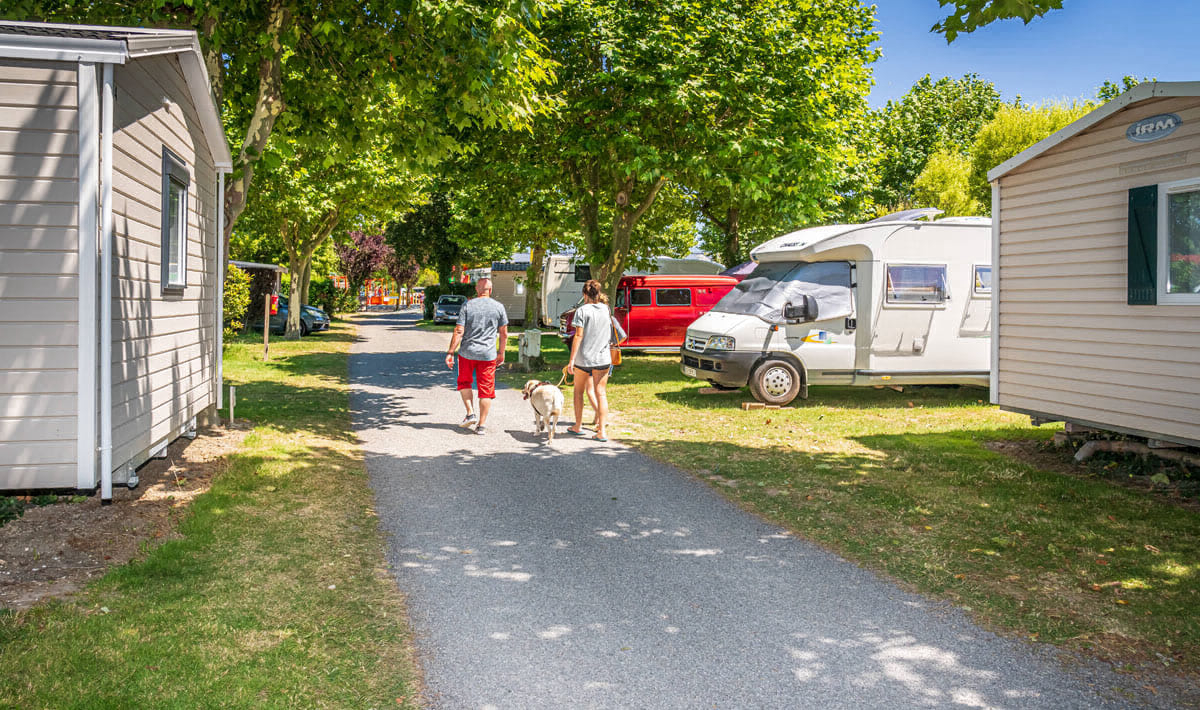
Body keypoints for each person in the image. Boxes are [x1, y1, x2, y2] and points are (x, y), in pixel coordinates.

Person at [445, 278, 508, 434]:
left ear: (476, 289)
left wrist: (450, 352)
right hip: (488, 355)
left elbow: (459, 331)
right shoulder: (499, 307)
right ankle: (481, 425)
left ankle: (470, 413)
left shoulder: (467, 305)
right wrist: (501, 352)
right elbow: (504, 333)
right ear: (490, 290)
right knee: (486, 390)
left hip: (467, 353)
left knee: (464, 382)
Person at [566, 279, 616, 441]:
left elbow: (578, 335)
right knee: (601, 393)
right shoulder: (606, 309)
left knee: (578, 392)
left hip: (584, 359)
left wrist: (571, 359)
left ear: (584, 294)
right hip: (602, 358)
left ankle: (578, 426)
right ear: (598, 293)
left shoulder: (582, 311)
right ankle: (601, 431)